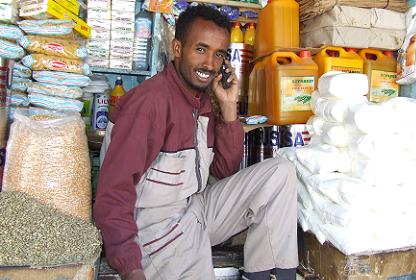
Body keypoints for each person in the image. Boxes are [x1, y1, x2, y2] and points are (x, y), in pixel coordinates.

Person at [94, 5, 298, 280]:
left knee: (280, 173)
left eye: (219, 54)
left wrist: (227, 108)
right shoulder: (149, 104)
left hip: (195, 209)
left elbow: (224, 170)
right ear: (177, 49)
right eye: (201, 50)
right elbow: (113, 195)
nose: (210, 64)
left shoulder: (201, 101)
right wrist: (131, 268)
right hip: (156, 231)